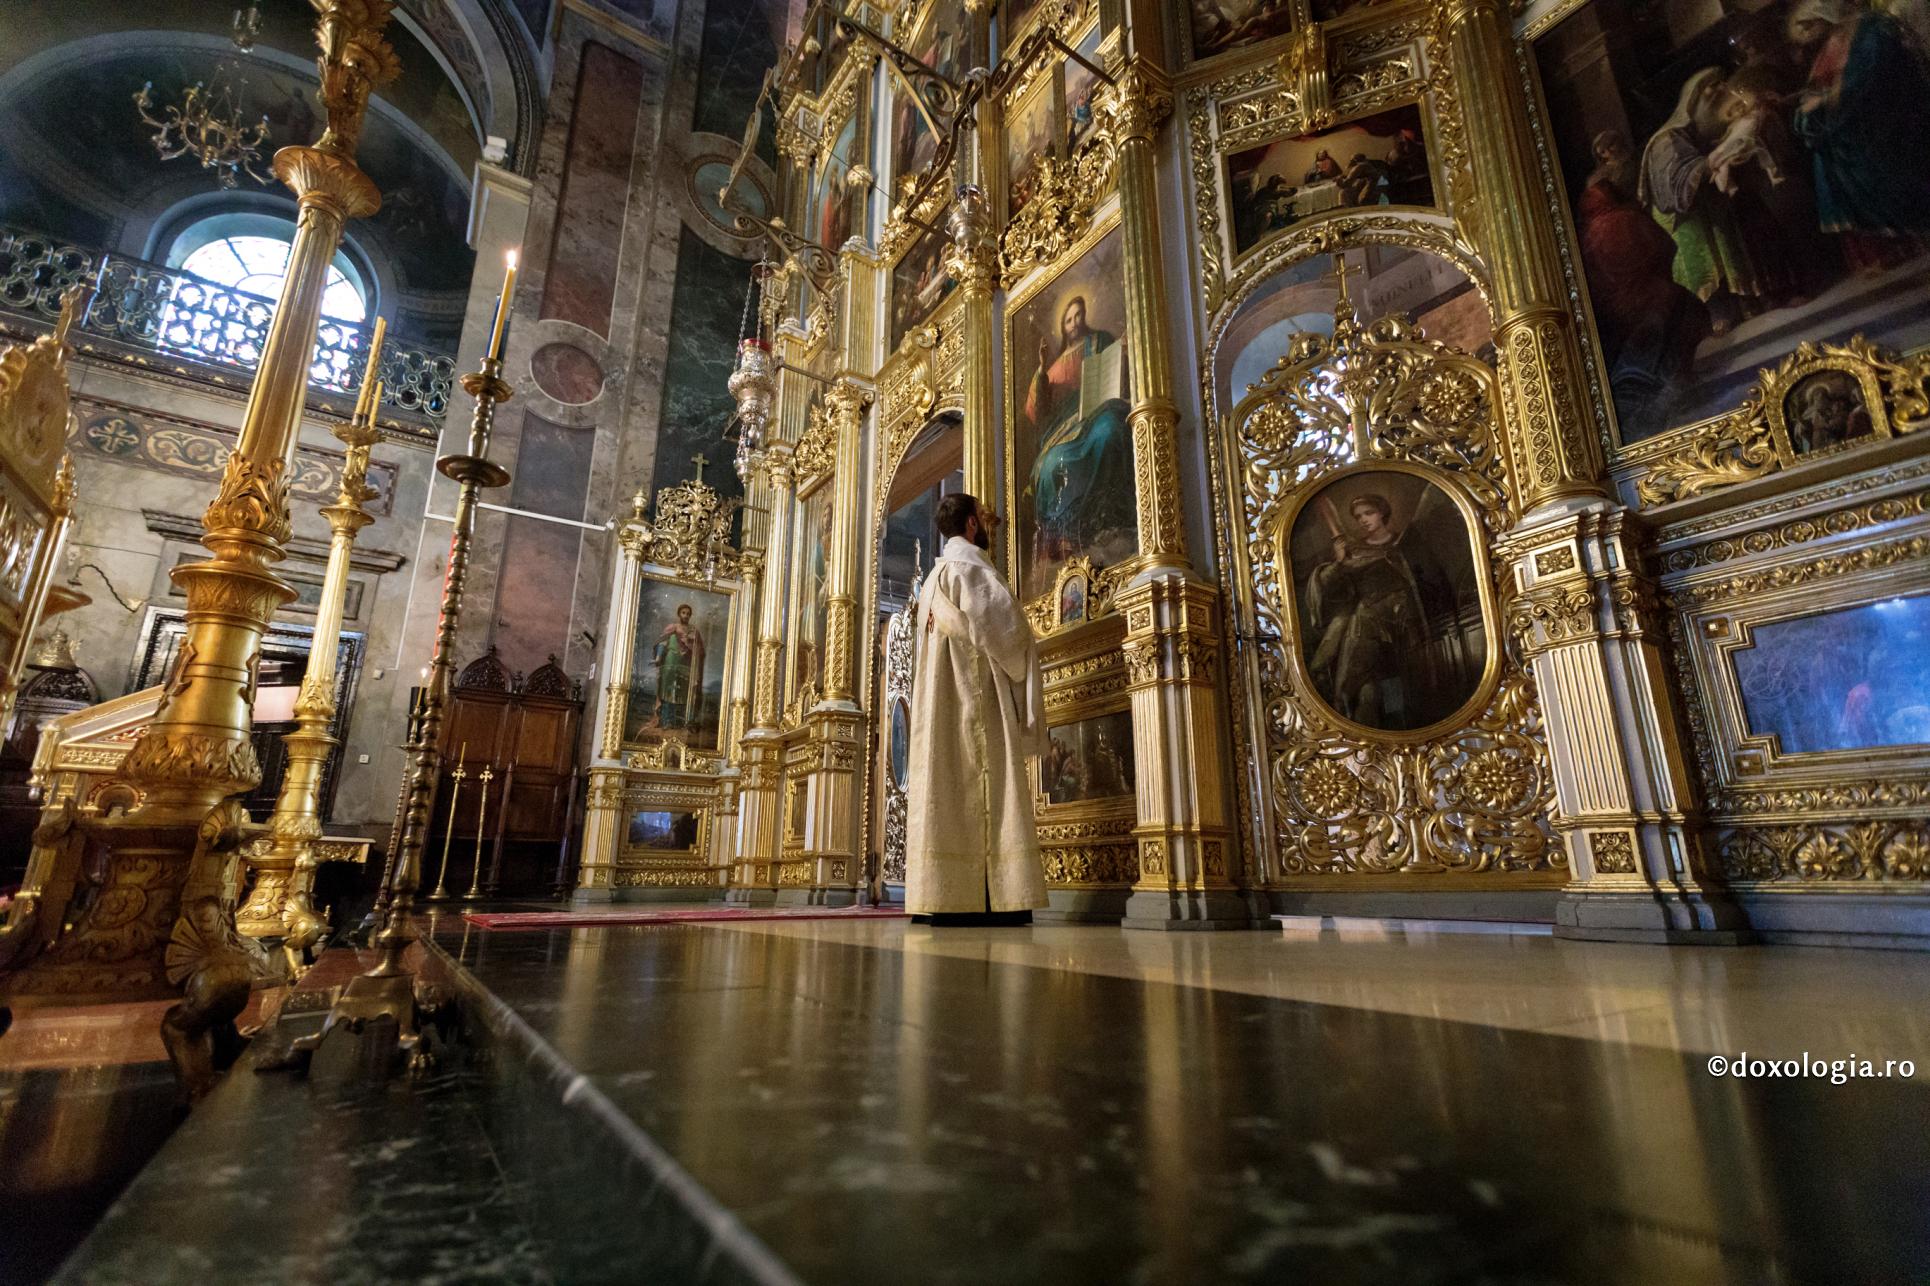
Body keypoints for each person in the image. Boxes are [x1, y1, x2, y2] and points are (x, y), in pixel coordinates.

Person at [904, 493, 1048, 924]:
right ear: (970, 525)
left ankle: (945, 895)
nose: (986, 527)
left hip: (940, 704)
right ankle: (990, 895)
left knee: (947, 789)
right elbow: (1009, 636)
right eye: (982, 520)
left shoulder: (932, 580)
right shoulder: (971, 569)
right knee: (985, 782)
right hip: (974, 695)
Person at [1788, 0, 1930, 271]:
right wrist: (1810, 109)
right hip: (1851, 135)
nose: (1807, 34)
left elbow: (1871, 76)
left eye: (1809, 25)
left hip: (1885, 127)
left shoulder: (1872, 30)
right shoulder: (1833, 42)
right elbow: (1816, 88)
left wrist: (1826, 101)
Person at [1023, 295, 1134, 589]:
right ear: (1063, 325)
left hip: (1099, 409)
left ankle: (1111, 521)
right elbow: (1036, 411)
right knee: (1048, 466)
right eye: (1068, 319)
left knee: (1109, 431)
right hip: (1064, 428)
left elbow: (1120, 369)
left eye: (1078, 317)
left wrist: (1122, 350)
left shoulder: (1099, 342)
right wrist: (1040, 369)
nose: (1074, 324)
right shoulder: (1053, 365)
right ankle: (1063, 539)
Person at [653, 603, 705, 730]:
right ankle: (667, 721)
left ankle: (687, 722)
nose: (686, 615)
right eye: (683, 613)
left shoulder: (694, 631)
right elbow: (662, 642)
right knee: (668, 690)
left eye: (688, 613)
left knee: (687, 693)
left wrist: (693, 648)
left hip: (686, 664)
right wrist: (659, 657)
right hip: (671, 661)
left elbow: (700, 650)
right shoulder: (672, 627)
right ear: (679, 614)